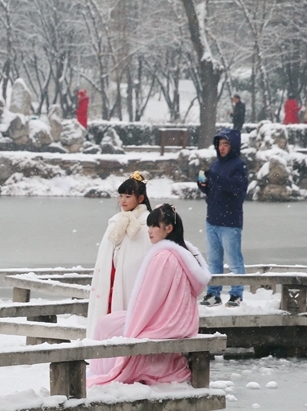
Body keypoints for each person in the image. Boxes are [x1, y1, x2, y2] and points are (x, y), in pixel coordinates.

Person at [87, 204, 210, 386]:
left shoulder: (164, 257)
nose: (149, 231)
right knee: (110, 322)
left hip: (165, 322)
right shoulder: (182, 255)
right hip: (179, 322)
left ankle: (102, 372)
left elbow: (149, 301)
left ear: (168, 229)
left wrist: (133, 326)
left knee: (106, 325)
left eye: (154, 226)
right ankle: (100, 370)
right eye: (149, 225)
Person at [86, 172, 153, 339]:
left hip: (131, 277)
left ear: (140, 198)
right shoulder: (116, 221)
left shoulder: (147, 224)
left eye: (128, 196)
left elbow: (144, 254)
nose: (123, 200)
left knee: (130, 306)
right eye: (121, 196)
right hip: (112, 275)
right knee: (108, 310)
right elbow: (106, 253)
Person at [197, 129, 249, 307]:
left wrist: (216, 178)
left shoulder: (239, 166)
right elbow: (213, 190)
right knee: (214, 261)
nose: (222, 148)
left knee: (234, 260)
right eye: (220, 144)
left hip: (230, 222)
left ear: (233, 146)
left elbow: (237, 188)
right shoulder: (215, 165)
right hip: (212, 220)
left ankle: (236, 294)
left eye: (226, 144)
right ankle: (214, 293)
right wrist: (203, 185)